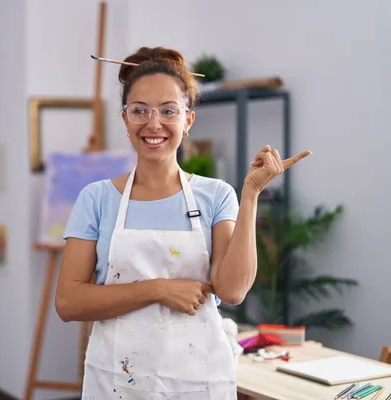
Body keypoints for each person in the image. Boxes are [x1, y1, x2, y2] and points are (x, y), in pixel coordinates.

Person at [55, 46, 311, 399]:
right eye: (139, 110)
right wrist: (158, 289)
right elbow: (69, 302)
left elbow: (233, 290)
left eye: (168, 111)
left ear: (188, 120)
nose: (153, 123)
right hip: (117, 382)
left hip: (196, 381)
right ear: (125, 118)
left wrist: (250, 193)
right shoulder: (97, 199)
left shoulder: (216, 195)